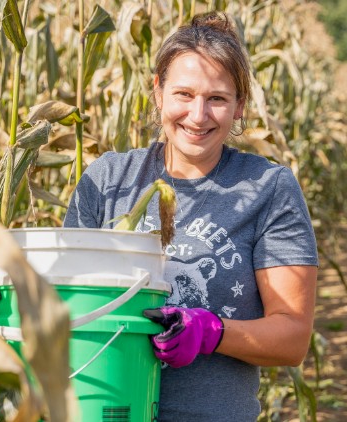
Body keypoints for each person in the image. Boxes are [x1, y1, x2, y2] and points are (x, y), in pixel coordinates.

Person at [63, 11, 318, 421]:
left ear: (239, 107)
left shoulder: (269, 188)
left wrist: (213, 332)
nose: (198, 116)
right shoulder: (108, 179)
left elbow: (292, 338)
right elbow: (61, 299)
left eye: (216, 98)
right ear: (158, 92)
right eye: (183, 94)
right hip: (99, 408)